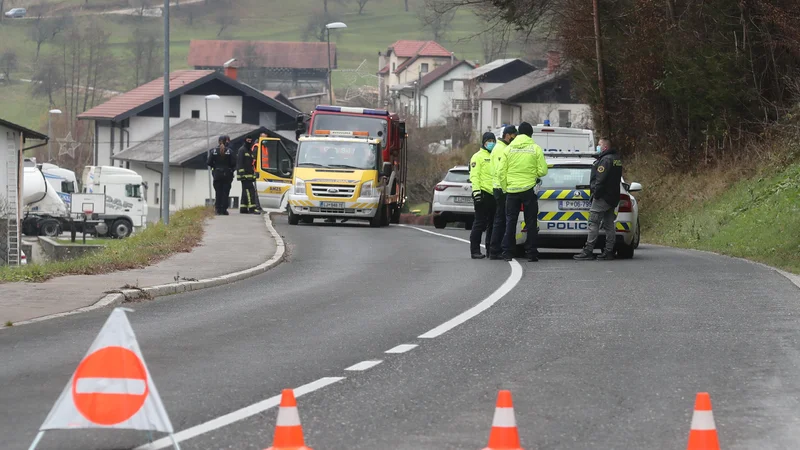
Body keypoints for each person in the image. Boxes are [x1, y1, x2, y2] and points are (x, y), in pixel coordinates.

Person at [500, 122, 548, 262]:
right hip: (528, 190)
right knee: (531, 222)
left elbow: (501, 172)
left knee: (510, 221)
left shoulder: (508, 149)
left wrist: (505, 188)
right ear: (531, 134)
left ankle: (507, 252)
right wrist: (534, 174)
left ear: (518, 133)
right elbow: (543, 170)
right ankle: (531, 253)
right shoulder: (535, 148)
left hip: (512, 191)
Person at [574, 138, 623, 261]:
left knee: (593, 222)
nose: (597, 146)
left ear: (605, 147)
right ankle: (609, 251)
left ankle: (588, 250)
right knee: (609, 225)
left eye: (599, 144)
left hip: (603, 197)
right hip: (612, 197)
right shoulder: (616, 159)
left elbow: (600, 180)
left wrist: (595, 194)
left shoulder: (605, 160)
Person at [488, 125, 517, 260]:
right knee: (500, 220)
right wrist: (505, 188)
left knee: (501, 220)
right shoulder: (501, 149)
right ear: (508, 135)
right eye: (513, 135)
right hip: (501, 188)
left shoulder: (502, 148)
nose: (515, 138)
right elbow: (501, 172)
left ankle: (495, 249)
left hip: (500, 187)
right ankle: (495, 250)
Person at [468, 132, 497, 259]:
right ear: (484, 142)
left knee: (493, 223)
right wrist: (476, 193)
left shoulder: (496, 156)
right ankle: (475, 250)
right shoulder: (477, 157)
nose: (491, 143)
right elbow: (475, 176)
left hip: (494, 194)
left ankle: (491, 249)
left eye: (493, 140)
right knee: (479, 223)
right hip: (482, 193)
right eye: (488, 141)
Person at [207, 135, 235, 215]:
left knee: (218, 192)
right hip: (227, 174)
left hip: (217, 174)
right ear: (226, 141)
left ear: (219, 141)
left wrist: (215, 167)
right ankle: (224, 210)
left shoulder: (214, 151)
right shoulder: (229, 151)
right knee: (225, 192)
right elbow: (234, 163)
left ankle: (218, 209)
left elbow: (208, 162)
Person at [236, 135, 259, 214]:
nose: (249, 142)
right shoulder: (242, 150)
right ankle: (252, 208)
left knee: (245, 191)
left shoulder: (250, 151)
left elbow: (251, 164)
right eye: (248, 140)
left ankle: (243, 208)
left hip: (249, 176)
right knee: (250, 192)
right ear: (245, 140)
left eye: (250, 140)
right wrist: (242, 174)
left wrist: (253, 175)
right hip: (244, 176)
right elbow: (240, 163)